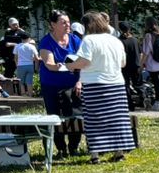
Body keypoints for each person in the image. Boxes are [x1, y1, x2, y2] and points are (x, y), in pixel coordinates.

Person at [59, 11, 135, 163]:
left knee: (94, 120)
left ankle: (95, 154)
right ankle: (119, 151)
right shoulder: (115, 41)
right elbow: (123, 63)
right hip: (116, 84)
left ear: (88, 25)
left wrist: (70, 65)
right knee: (117, 119)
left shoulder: (89, 40)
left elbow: (85, 62)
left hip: (94, 84)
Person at [36, 10, 82, 155]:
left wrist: (79, 81)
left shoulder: (75, 40)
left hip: (73, 84)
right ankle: (61, 148)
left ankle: (74, 147)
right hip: (51, 85)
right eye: (63, 22)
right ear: (53, 25)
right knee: (55, 117)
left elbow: (84, 62)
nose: (67, 25)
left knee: (75, 115)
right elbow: (49, 64)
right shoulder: (46, 42)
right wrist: (66, 66)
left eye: (68, 22)